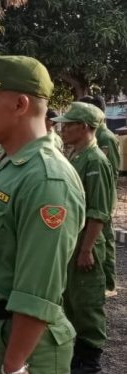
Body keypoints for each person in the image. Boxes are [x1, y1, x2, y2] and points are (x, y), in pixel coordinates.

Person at [0, 55, 84, 374]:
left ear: (20, 104)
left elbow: (38, 287)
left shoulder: (46, 179)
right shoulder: (9, 165)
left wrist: (14, 366)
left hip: (19, 349)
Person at [53, 102, 114, 374]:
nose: (63, 128)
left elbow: (99, 211)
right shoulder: (75, 156)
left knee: (87, 302)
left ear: (85, 127)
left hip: (85, 244)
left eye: (70, 124)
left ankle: (90, 365)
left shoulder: (95, 160)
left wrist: (87, 248)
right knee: (72, 300)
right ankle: (77, 357)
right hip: (72, 241)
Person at [78, 95, 121, 294]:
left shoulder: (105, 138)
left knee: (105, 240)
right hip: (96, 197)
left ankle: (107, 282)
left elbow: (110, 172)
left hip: (102, 198)